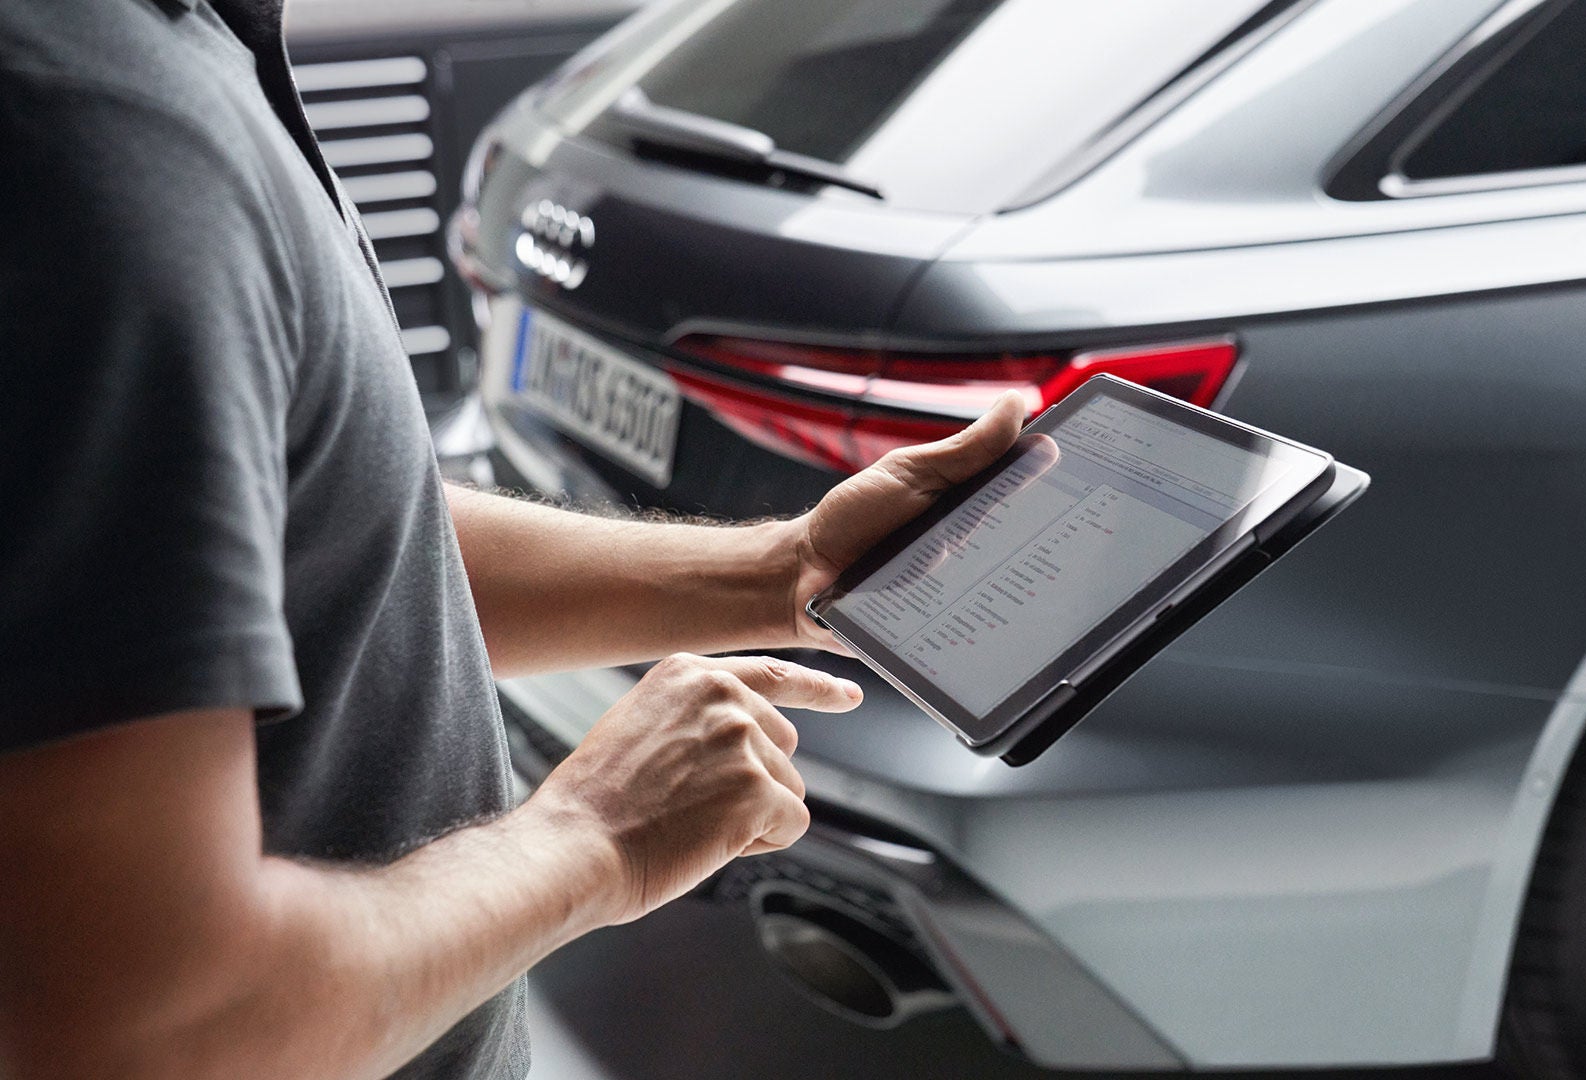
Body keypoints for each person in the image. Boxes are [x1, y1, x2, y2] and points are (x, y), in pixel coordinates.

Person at [0, 0, 1026, 1076]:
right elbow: (150, 1033)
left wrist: (785, 571)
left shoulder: (171, 59)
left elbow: (316, 543)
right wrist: (592, 838)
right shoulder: (93, 132)